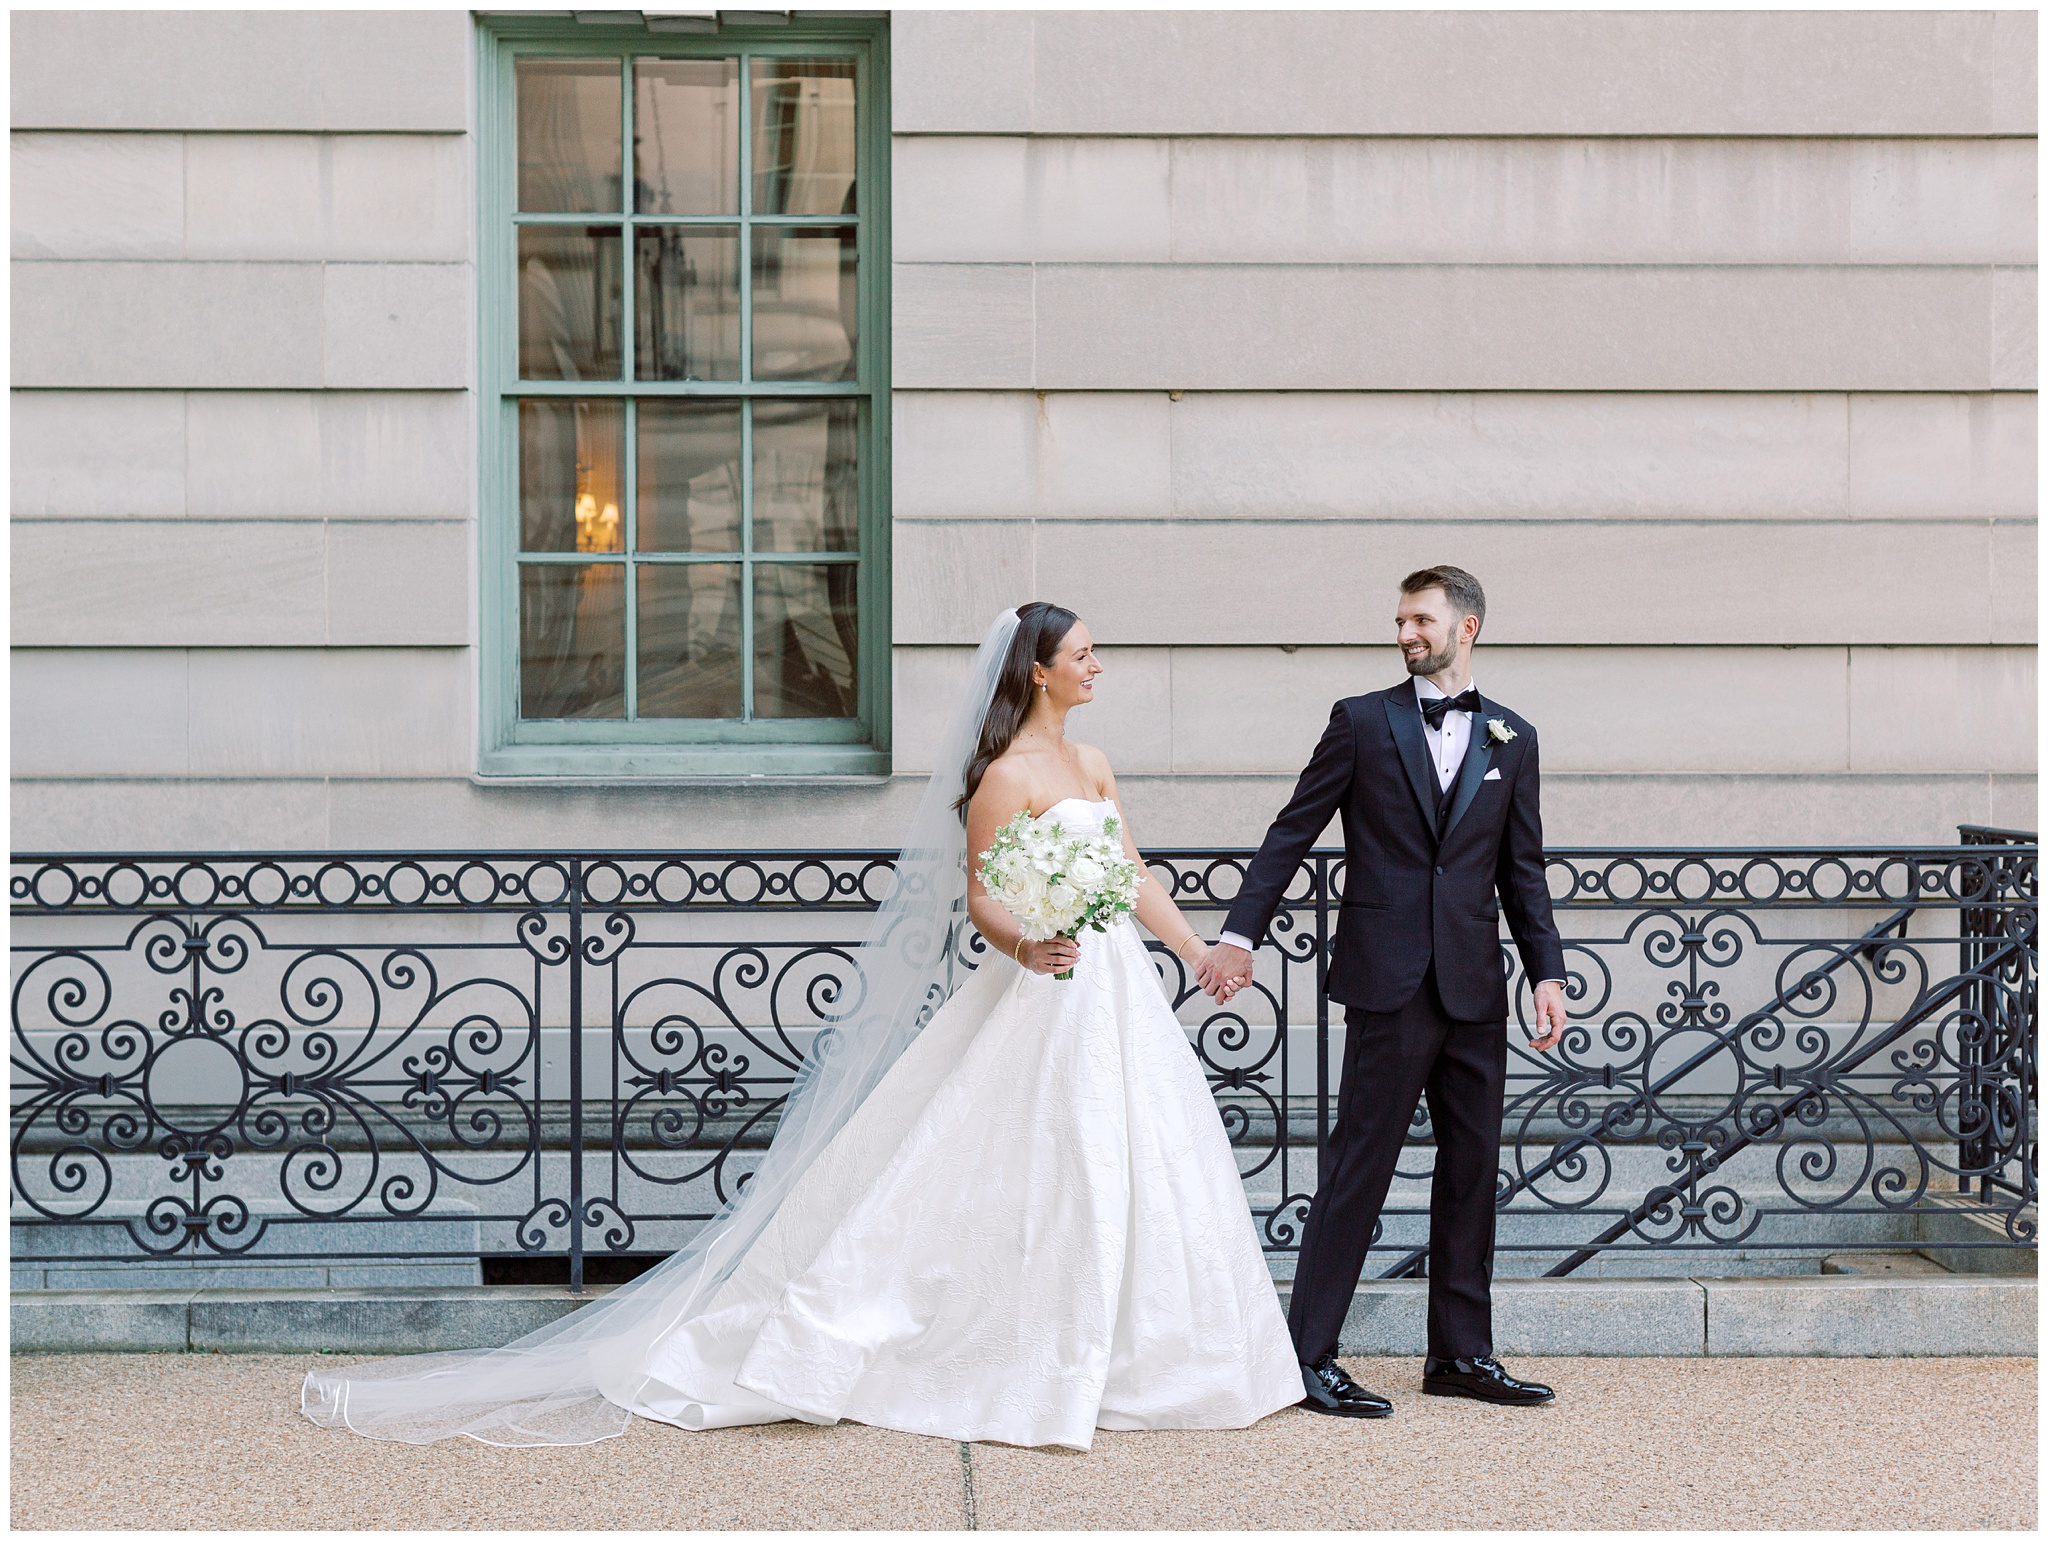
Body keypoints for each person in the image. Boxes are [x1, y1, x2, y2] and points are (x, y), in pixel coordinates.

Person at [303, 603, 1300, 1450]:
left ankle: (1150, 1348)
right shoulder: (1004, 776)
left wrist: (1193, 949)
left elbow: (1130, 871)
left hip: (1115, 985)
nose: (1097, 666)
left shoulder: (1093, 760)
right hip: (1049, 983)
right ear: (1038, 670)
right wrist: (1026, 942)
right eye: (1083, 653)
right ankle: (1017, 1341)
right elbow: (982, 899)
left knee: (1143, 1153)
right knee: (1046, 1155)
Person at [1198, 565, 1569, 1417]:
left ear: (1467, 626)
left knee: (1472, 1169)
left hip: (1475, 986)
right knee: (1357, 1169)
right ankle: (1307, 1356)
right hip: (1387, 980)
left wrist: (1545, 972)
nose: (1405, 633)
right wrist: (1239, 934)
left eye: (1421, 620)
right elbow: (1293, 829)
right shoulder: (1362, 721)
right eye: (1400, 619)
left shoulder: (1514, 736)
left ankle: (1461, 1354)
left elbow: (1523, 870)